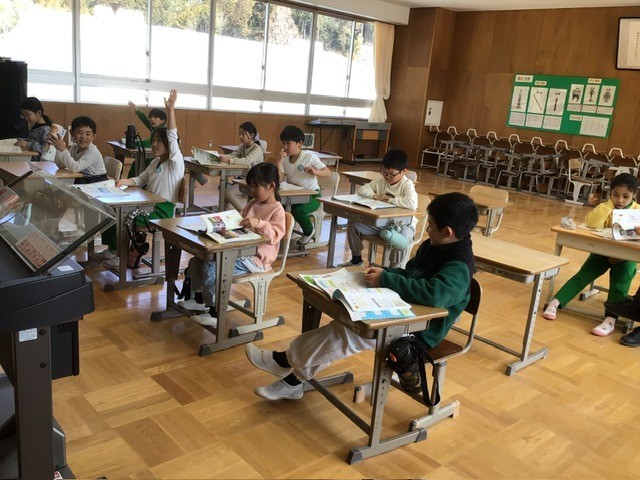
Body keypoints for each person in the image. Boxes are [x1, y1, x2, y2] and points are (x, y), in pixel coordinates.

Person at [245, 192, 478, 401]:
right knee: (343, 326)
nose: (427, 231)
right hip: (403, 311)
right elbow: (410, 274)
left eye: (431, 226)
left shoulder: (459, 265)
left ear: (447, 232)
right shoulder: (433, 246)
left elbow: (434, 295)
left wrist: (387, 280)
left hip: (421, 331)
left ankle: (285, 361)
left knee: (347, 333)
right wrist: (386, 274)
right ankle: (293, 380)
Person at [178, 162, 286, 327]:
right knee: (198, 260)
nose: (252, 190)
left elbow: (275, 235)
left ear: (271, 186)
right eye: (250, 186)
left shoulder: (277, 210)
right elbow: (238, 220)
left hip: (256, 260)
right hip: (239, 251)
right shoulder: (253, 203)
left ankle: (215, 312)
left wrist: (259, 223)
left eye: (256, 186)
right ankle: (199, 300)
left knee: (214, 265)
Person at [544, 173, 640, 336]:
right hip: (603, 251)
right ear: (610, 193)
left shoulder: (637, 211)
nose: (620, 200)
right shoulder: (606, 206)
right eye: (615, 195)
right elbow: (593, 224)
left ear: (634, 195)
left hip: (626, 257)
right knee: (584, 274)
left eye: (626, 196)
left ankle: (610, 319)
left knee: (620, 283)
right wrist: (608, 206)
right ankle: (556, 302)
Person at [96, 89, 184, 267]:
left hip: (162, 212)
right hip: (147, 205)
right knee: (112, 211)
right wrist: (124, 181)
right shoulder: (156, 161)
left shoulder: (175, 162)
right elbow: (141, 179)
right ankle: (113, 250)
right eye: (153, 141)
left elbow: (172, 135)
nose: (154, 144)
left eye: (159, 141)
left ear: (169, 145)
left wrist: (171, 110)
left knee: (121, 218)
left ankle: (117, 255)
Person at [338, 149, 417, 268]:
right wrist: (376, 196)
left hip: (403, 225)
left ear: (404, 171)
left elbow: (411, 203)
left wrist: (389, 200)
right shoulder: (381, 180)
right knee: (354, 224)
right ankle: (356, 259)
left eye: (392, 174)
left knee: (402, 237)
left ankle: (394, 268)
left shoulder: (407, 184)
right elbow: (362, 190)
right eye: (385, 172)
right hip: (383, 223)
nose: (387, 177)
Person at [277, 125, 330, 245]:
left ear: (299, 143)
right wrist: (279, 161)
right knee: (278, 207)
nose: (285, 147)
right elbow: (280, 179)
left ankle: (309, 231)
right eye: (283, 143)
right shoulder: (285, 159)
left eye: (288, 143)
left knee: (298, 210)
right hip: (293, 195)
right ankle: (284, 233)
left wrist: (315, 171)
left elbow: (327, 172)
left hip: (312, 196)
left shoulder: (309, 157)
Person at [219, 122, 265, 211]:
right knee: (225, 194)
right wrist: (221, 156)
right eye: (239, 134)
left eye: (243, 134)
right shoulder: (242, 146)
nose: (240, 136)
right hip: (244, 179)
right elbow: (233, 155)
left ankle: (243, 212)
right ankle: (224, 213)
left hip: (255, 181)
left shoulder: (257, 149)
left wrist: (229, 160)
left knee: (227, 193)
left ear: (251, 135)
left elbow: (246, 161)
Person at [50, 116, 108, 184]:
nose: (83, 137)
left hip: (97, 181)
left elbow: (75, 168)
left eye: (88, 134)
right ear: (71, 133)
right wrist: (58, 149)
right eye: (79, 133)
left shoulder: (93, 151)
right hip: (83, 179)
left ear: (93, 136)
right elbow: (61, 165)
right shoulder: (74, 148)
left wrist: (63, 149)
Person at [126, 101, 167, 178]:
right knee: (136, 163)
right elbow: (144, 119)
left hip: (159, 159)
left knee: (137, 164)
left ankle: (133, 182)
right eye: (150, 117)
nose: (152, 119)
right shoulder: (155, 127)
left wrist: (135, 142)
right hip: (153, 156)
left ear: (163, 121)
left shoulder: (161, 131)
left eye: (155, 117)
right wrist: (136, 109)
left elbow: (149, 143)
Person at [15, 97, 52, 161]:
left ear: (39, 113)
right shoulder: (34, 127)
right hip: (31, 161)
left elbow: (45, 149)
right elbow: (32, 140)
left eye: (28, 115)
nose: (26, 118)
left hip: (40, 164)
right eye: (23, 116)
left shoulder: (45, 129)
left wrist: (27, 144)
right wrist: (22, 140)